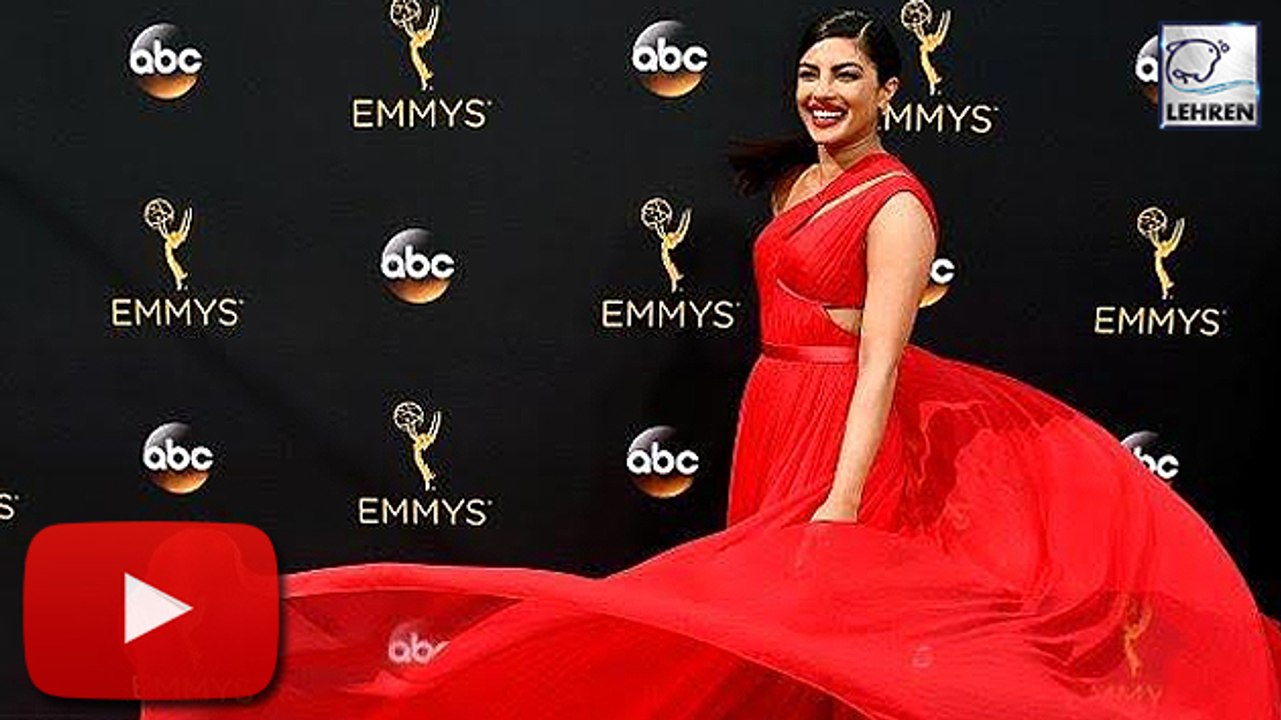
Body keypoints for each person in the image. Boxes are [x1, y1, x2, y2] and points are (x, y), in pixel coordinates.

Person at [146, 9, 1281, 719]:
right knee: (760, 626)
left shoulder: (898, 205)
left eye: (847, 75)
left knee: (827, 625)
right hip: (773, 402)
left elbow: (883, 363)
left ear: (889, 90)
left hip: (841, 427)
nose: (822, 90)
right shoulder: (801, 180)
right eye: (811, 73)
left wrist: (845, 496)